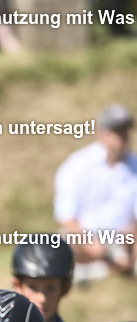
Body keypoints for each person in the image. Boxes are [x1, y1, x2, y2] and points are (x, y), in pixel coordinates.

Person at [54, 104, 137, 278]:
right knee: (63, 242)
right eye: (116, 132)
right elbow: (67, 216)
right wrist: (92, 244)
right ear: (101, 134)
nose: (121, 138)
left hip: (124, 237)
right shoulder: (77, 165)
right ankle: (100, 266)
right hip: (85, 236)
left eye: (124, 132)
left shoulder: (134, 167)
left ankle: (105, 268)